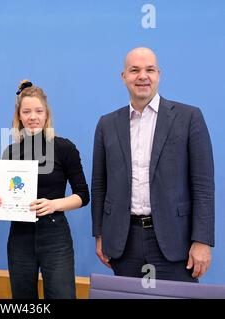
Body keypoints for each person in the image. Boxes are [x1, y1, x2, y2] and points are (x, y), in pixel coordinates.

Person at [91, 47, 214, 282]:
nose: (142, 76)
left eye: (149, 69)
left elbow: (203, 185)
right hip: (124, 243)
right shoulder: (106, 124)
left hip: (175, 243)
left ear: (159, 74)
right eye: (134, 70)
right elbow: (99, 185)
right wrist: (100, 234)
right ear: (123, 76)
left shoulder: (189, 117)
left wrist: (202, 240)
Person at [0, 80, 90, 299]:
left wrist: (54, 204)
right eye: (26, 111)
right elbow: (7, 193)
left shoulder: (64, 147)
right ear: (19, 116)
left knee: (61, 295)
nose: (32, 116)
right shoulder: (11, 151)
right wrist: (1, 201)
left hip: (55, 235)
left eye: (38, 111)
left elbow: (83, 195)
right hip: (20, 237)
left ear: (47, 114)